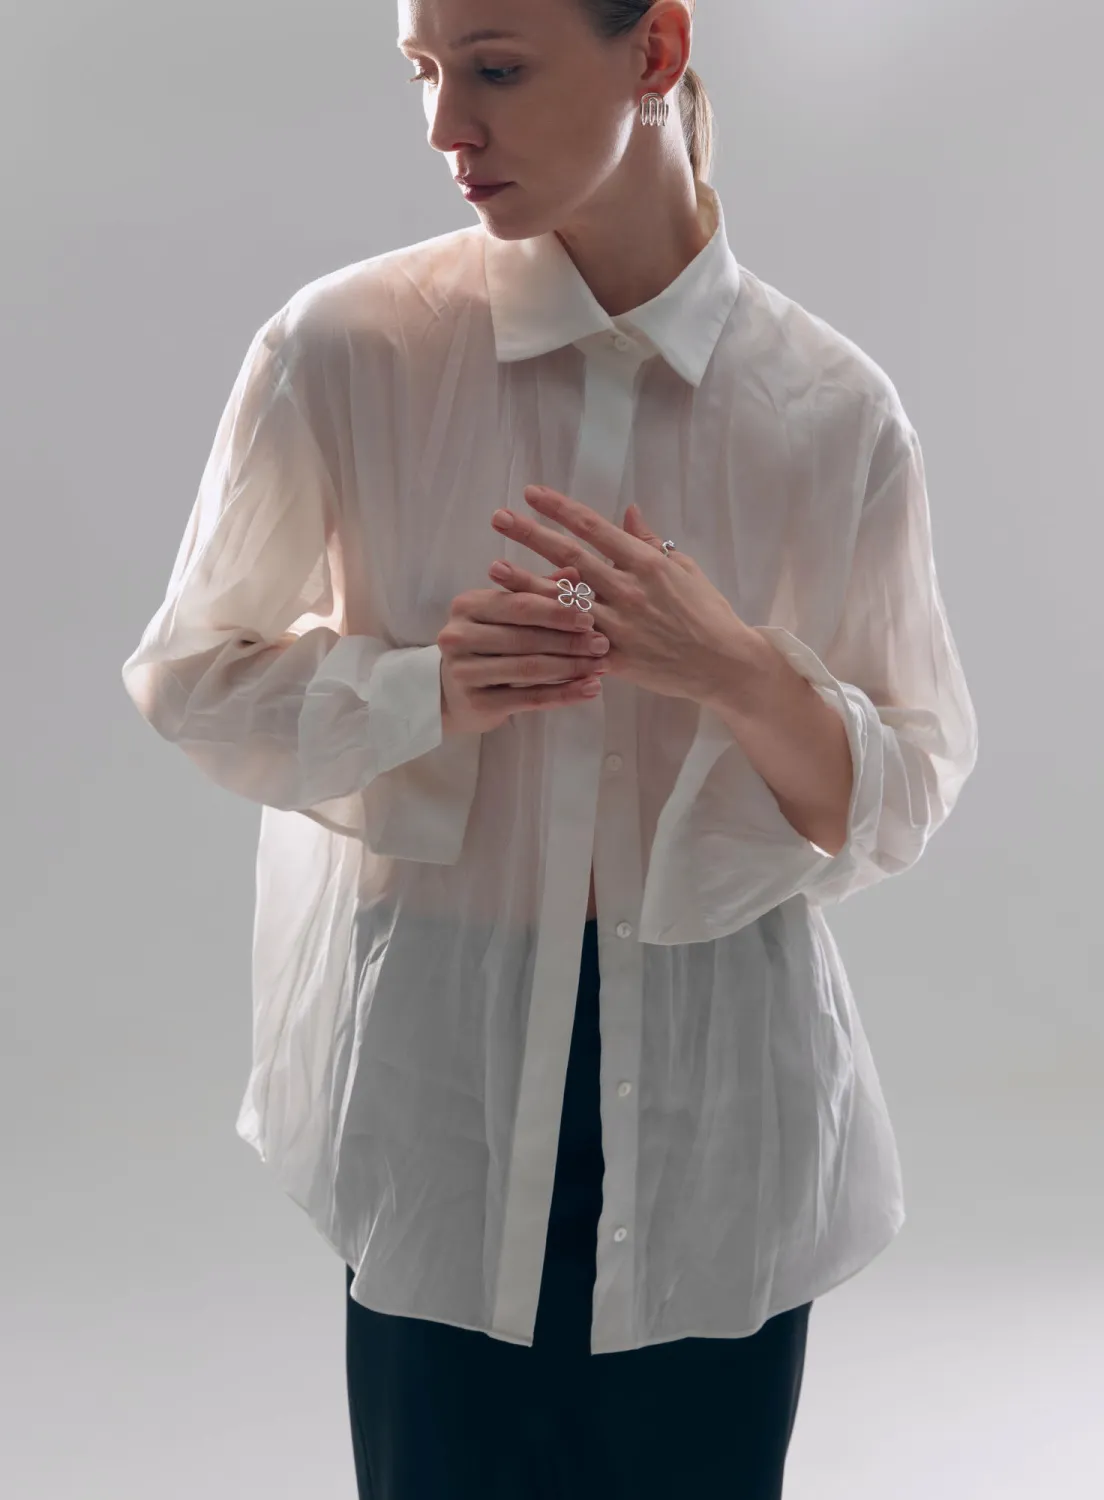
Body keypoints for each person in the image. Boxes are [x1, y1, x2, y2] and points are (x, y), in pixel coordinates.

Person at [120, 0, 979, 1494]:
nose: (446, 128)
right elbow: (190, 677)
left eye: (497, 68)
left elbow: (901, 797)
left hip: (719, 1115)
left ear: (654, 51)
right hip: (440, 1098)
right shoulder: (345, 351)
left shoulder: (833, 413)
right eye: (424, 72)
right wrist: (427, 692)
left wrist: (736, 668)